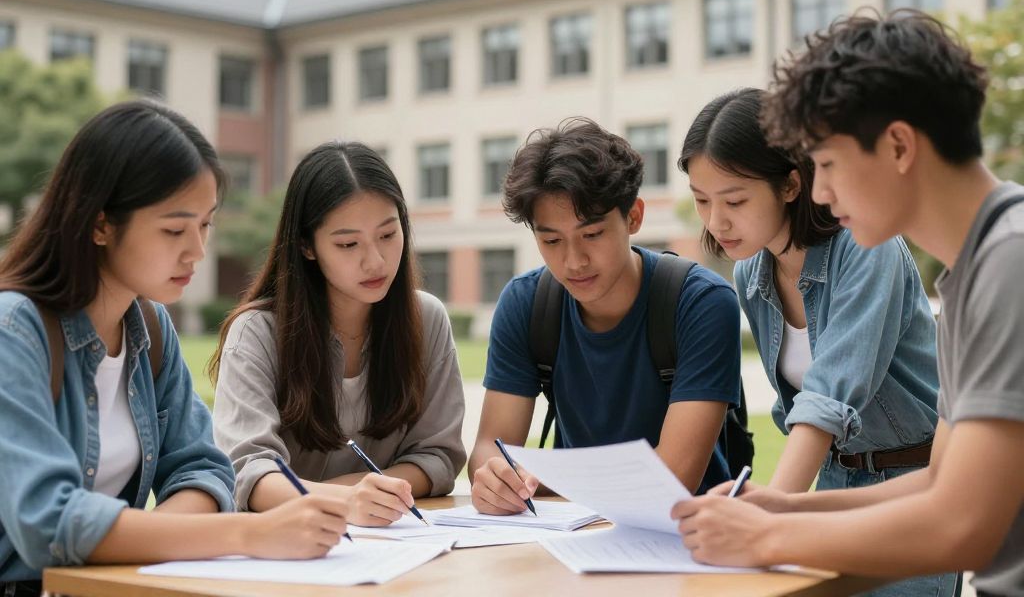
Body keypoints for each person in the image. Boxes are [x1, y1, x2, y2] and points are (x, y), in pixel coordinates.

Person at [673, 11, 1024, 597]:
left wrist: (766, 537)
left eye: (829, 165)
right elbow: (939, 481)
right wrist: (783, 509)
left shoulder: (1011, 261)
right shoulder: (975, 271)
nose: (820, 191)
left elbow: (962, 524)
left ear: (899, 146)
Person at [0, 101, 350, 597]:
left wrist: (148, 545)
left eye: (205, 225)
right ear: (100, 224)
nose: (197, 251)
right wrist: (248, 534)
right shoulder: (14, 331)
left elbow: (204, 469)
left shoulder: (149, 328)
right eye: (174, 229)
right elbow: (48, 523)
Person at [679, 88, 956, 596]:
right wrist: (781, 509)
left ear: (790, 184)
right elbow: (800, 407)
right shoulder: (750, 275)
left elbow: (827, 398)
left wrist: (769, 517)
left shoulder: (868, 245)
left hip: (910, 488)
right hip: (831, 485)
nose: (716, 221)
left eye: (734, 200)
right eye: (702, 200)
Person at [469, 118, 741, 515]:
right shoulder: (525, 303)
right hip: (571, 528)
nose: (573, 261)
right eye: (551, 240)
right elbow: (489, 449)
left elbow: (672, 478)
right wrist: (495, 480)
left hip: (686, 533)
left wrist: (544, 479)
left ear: (634, 217)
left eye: (592, 234)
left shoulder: (701, 302)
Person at [210, 142, 465, 527]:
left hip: (392, 539)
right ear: (306, 246)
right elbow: (248, 471)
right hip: (286, 543)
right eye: (348, 244)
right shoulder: (257, 332)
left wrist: (361, 493)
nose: (375, 261)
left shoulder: (425, 318)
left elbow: (438, 456)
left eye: (387, 234)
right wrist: (346, 499)